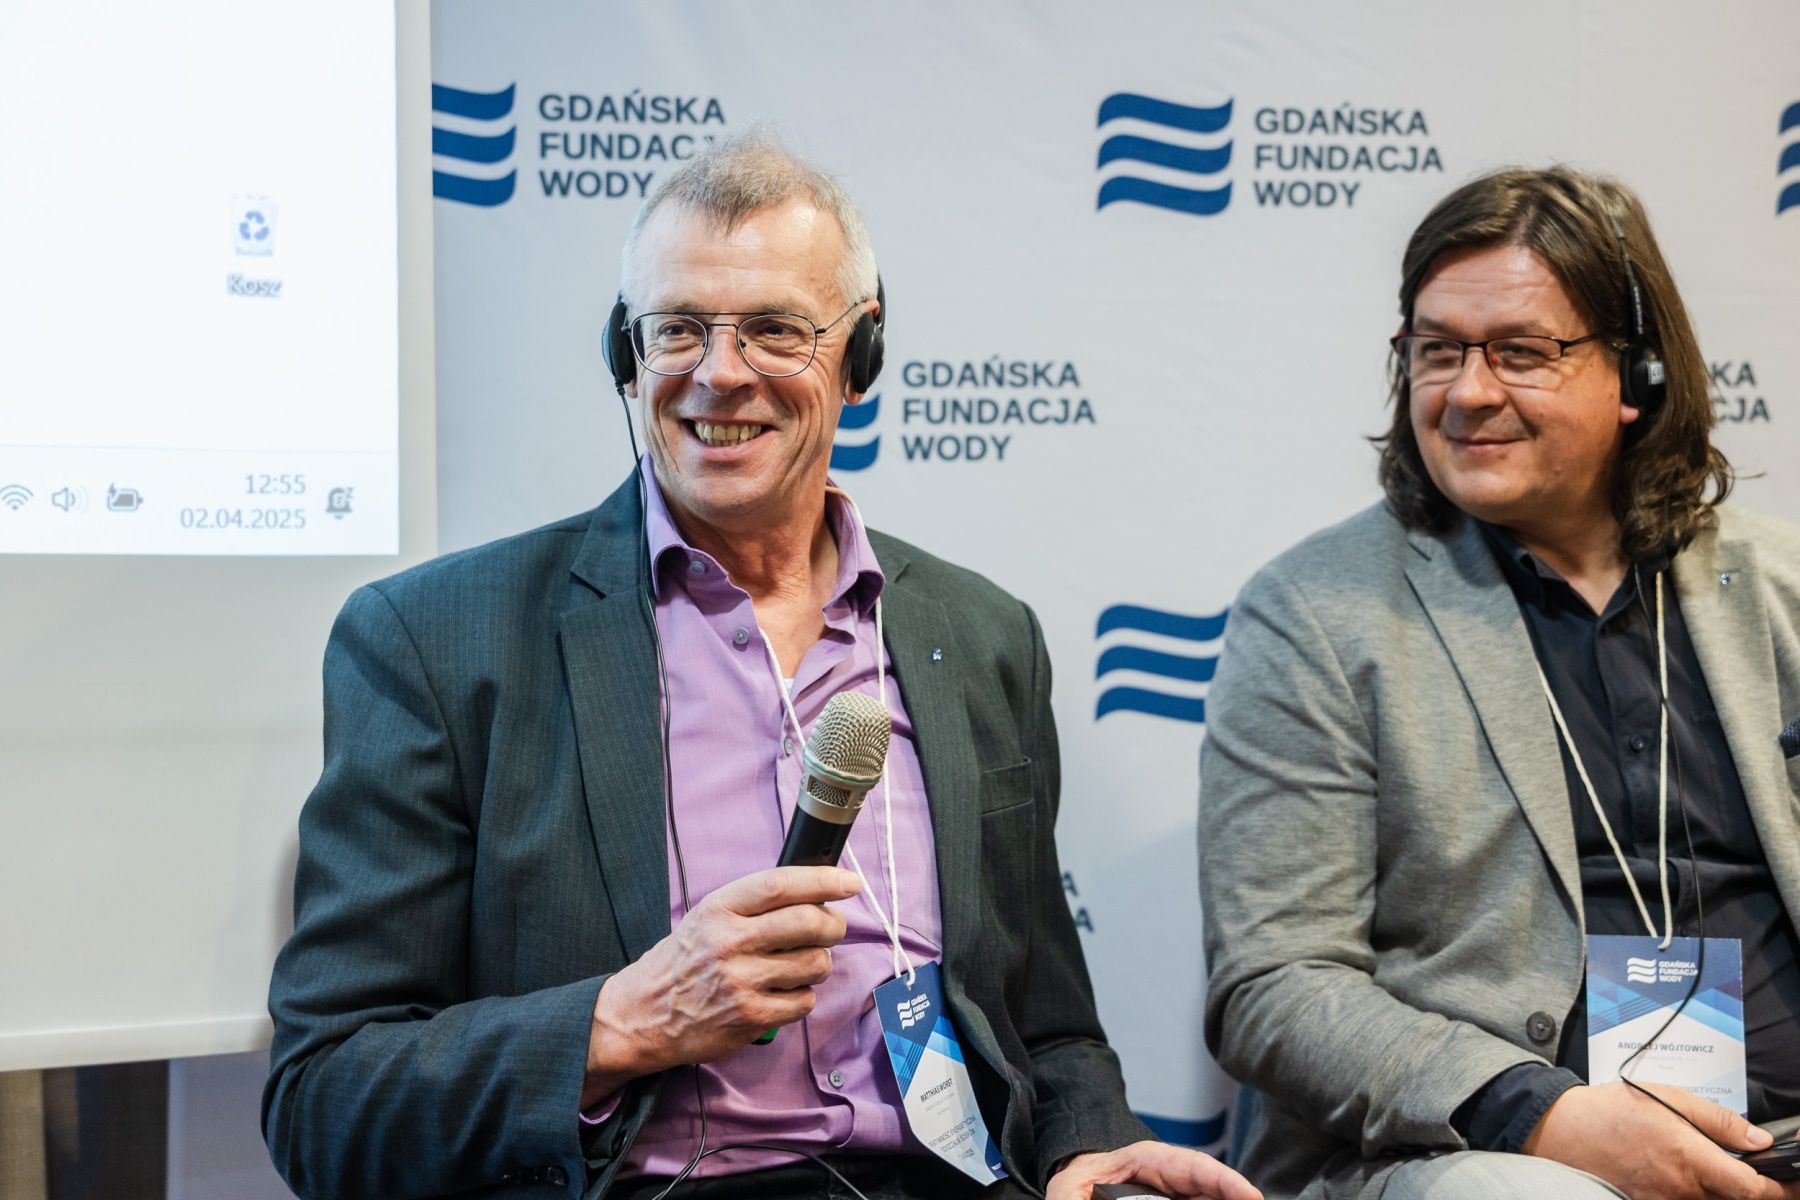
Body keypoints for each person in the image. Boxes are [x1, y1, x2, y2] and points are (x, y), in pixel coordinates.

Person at [265, 131, 1258, 1200]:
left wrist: (1088, 1144)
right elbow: (326, 1100)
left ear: (860, 354)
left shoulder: (982, 636)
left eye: (775, 330)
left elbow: (1048, 1029)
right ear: (625, 355)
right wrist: (621, 1023)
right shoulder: (437, 641)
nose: (720, 372)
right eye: (678, 328)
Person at [1199, 166, 1800, 1200]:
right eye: (1438, 351)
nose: (1469, 392)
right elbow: (1275, 983)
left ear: (1636, 375)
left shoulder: (1782, 588)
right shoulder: (1315, 614)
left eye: (1522, 352)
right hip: (1492, 1155)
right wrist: (1539, 1113)